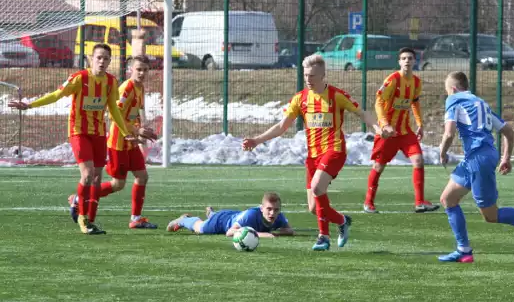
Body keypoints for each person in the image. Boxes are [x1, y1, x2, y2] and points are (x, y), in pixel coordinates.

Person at [242, 54, 385, 251]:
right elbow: (282, 126)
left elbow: (363, 113)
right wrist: (257, 140)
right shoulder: (300, 99)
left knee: (318, 188)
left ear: (323, 75)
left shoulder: (336, 95)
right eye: (306, 75)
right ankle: (342, 221)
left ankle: (323, 237)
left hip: (334, 150)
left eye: (313, 76)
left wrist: (378, 128)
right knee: (313, 207)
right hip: (313, 156)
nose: (308, 79)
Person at [9, 43, 135, 235]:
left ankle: (88, 215)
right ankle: (83, 220)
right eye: (99, 57)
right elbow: (57, 95)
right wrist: (30, 105)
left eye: (106, 58)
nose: (102, 61)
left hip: (99, 133)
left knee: (96, 177)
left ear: (110, 61)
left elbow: (114, 110)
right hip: (79, 132)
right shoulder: (80, 78)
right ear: (91, 59)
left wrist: (126, 132)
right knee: (87, 174)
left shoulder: (111, 82)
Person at [437, 71, 514, 263]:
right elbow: (509, 132)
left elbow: (449, 133)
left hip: (478, 158)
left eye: (448, 91)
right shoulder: (481, 104)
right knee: (448, 199)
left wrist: (442, 152)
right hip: (479, 157)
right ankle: (463, 250)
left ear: (452, 89)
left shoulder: (454, 100)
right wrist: (505, 158)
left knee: (491, 216)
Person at [68, 55, 157, 229]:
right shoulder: (126, 88)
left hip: (131, 141)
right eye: (139, 69)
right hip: (118, 142)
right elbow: (115, 116)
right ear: (130, 69)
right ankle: (79, 199)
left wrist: (140, 131)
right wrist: (135, 130)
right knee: (118, 184)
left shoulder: (141, 88)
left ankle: (135, 218)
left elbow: (134, 114)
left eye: (145, 70)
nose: (142, 73)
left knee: (142, 176)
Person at [364, 47, 440, 214]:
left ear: (415, 61)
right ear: (399, 62)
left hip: (405, 132)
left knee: (419, 160)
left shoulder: (417, 83)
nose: (407, 61)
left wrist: (420, 123)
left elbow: (414, 102)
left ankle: (419, 202)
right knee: (378, 167)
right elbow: (378, 102)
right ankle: (369, 202)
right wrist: (384, 124)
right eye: (404, 58)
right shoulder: (392, 80)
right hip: (388, 133)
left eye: (410, 58)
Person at [166, 192, 295, 237]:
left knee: (224, 218)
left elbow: (289, 231)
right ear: (261, 208)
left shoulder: (279, 216)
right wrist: (263, 234)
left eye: (276, 210)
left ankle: (211, 213)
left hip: (233, 216)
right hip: (222, 222)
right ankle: (184, 220)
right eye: (269, 209)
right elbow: (230, 232)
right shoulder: (251, 215)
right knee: (201, 229)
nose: (272, 213)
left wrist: (275, 234)